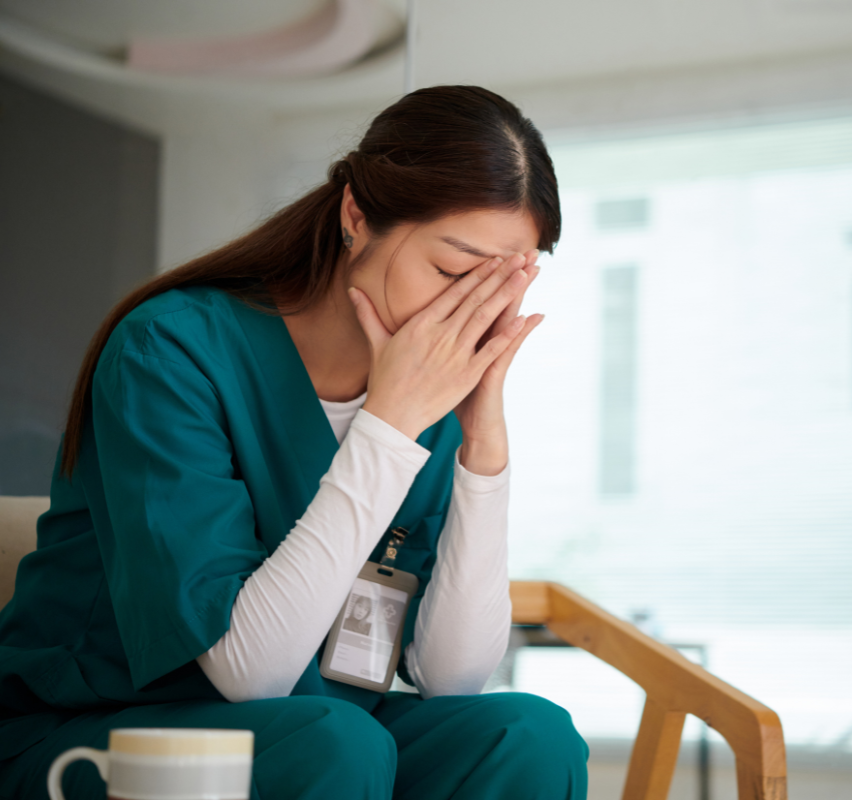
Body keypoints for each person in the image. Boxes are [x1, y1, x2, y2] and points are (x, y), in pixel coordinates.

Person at [0, 86, 588, 799]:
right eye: (450, 272)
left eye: (500, 285)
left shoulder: (429, 399)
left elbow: (451, 678)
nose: (467, 313)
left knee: (528, 735)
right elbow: (251, 674)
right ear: (356, 218)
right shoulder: (171, 351)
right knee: (334, 744)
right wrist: (389, 429)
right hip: (104, 729)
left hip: (331, 732)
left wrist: (482, 448)